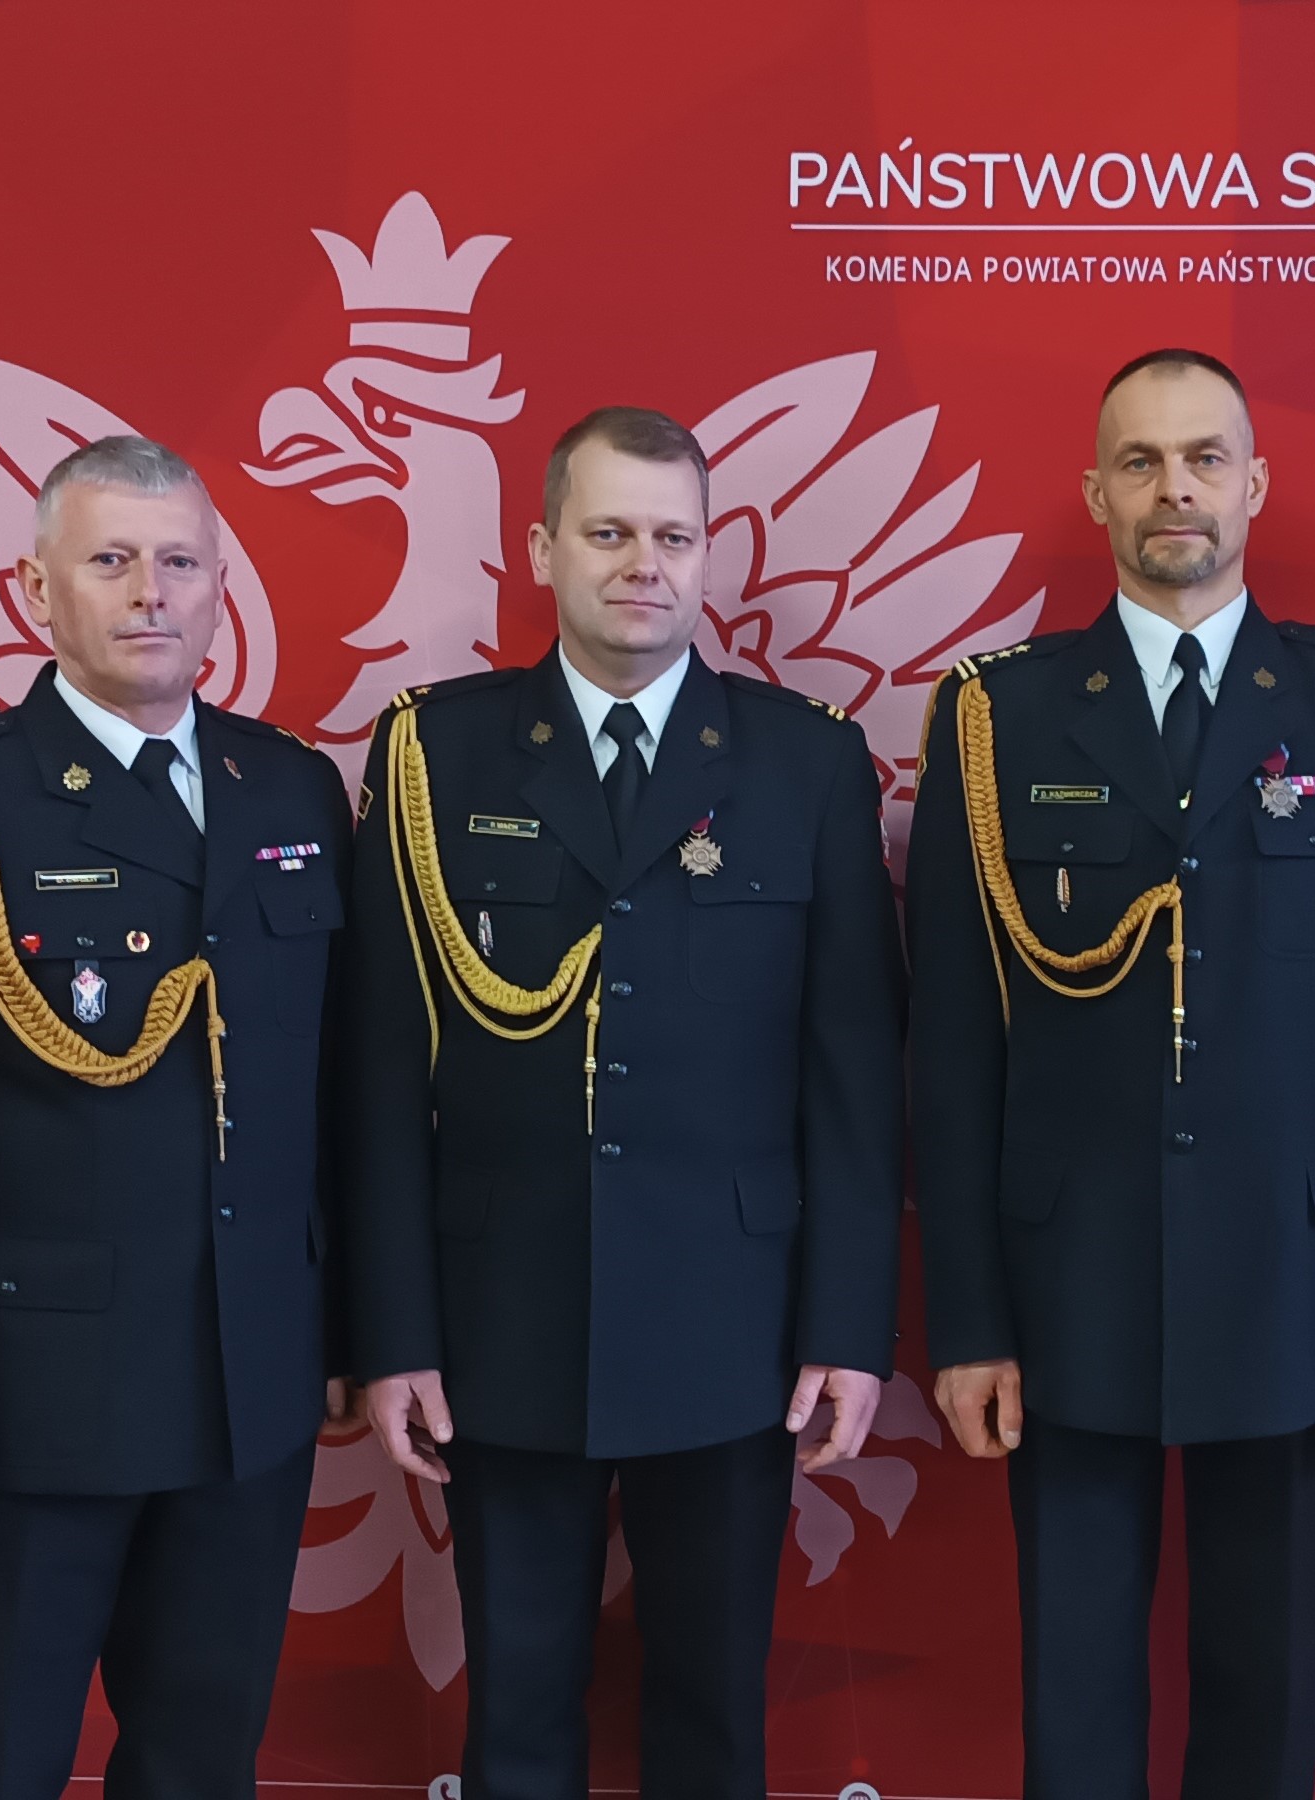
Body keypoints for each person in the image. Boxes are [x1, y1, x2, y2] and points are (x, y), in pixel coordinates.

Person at [906, 349, 1315, 1798]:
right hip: (1065, 1283)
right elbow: (951, 1049)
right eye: (1140, 462)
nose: (1175, 490)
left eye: (1205, 458)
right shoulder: (996, 716)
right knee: (1075, 1701)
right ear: (1095, 493)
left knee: (1264, 1701)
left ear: (1253, 484)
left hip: (1290, 1284)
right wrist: (970, 1320)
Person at [341, 407, 906, 1800]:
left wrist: (846, 1328)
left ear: (707, 557)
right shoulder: (433, 757)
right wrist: (393, 1332)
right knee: (518, 1713)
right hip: (500, 1319)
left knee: (712, 1714)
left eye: (671, 536)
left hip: (734, 1325)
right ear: (542, 550)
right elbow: (377, 1076)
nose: (642, 565)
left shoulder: (803, 763)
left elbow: (853, 1076)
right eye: (607, 532)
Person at [0, 435, 353, 1797]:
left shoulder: (290, 788)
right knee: (1, 1766)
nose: (150, 593)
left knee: (203, 1765)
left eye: (179, 563)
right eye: (110, 561)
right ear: (36, 588)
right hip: (32, 1408)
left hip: (248, 1394)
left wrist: (342, 1336)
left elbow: (333, 1096)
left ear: (220, 588)